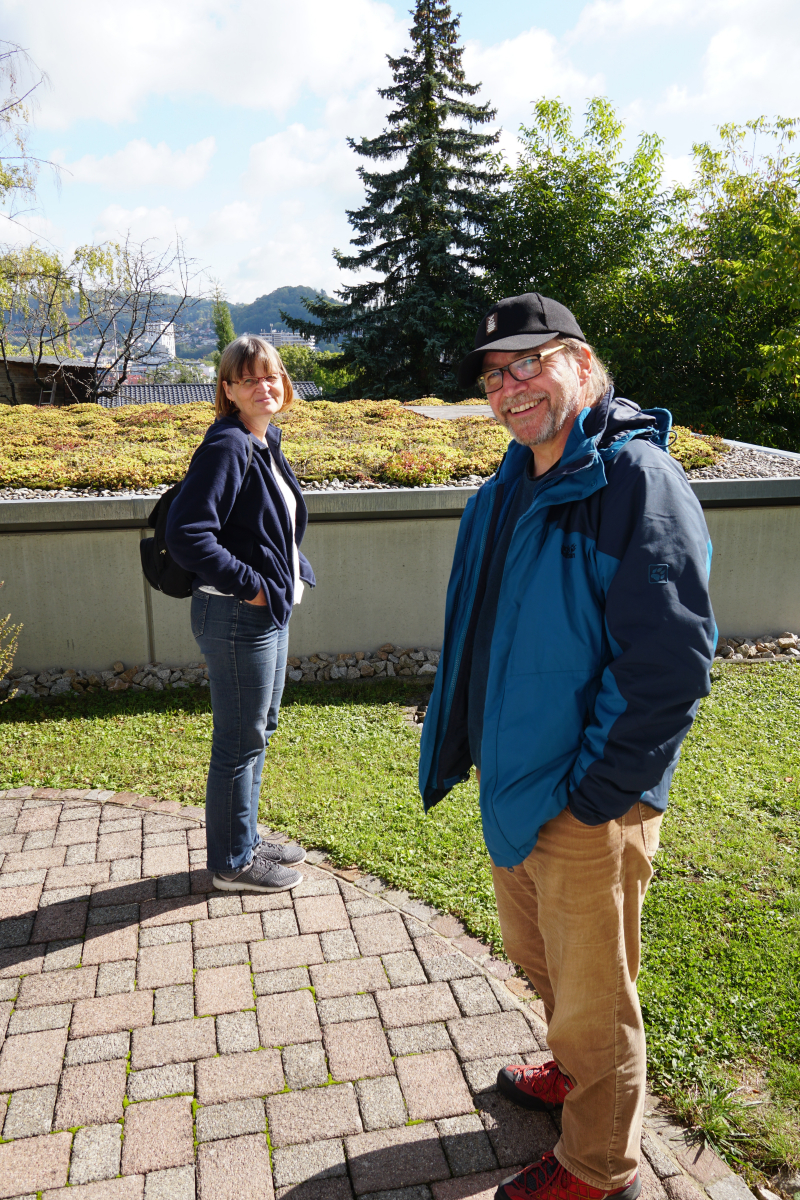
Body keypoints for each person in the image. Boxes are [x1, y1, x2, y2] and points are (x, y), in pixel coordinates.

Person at [418, 294, 716, 1200]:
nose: (510, 388)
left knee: (594, 999)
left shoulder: (635, 483)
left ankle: (599, 1165)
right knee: (540, 957)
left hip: (589, 802)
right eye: (494, 376)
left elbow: (668, 664)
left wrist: (596, 796)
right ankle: (573, 1073)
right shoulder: (508, 485)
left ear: (581, 363)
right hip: (516, 784)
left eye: (529, 363)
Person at [166, 335, 315, 894]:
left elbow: (268, 523)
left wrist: (289, 572)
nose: (263, 386)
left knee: (259, 729)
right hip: (235, 617)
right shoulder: (228, 445)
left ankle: (244, 838)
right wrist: (253, 587)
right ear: (228, 389)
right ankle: (232, 864)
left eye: (271, 375)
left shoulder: (264, 440)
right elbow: (188, 534)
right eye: (248, 379)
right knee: (238, 740)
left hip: (265, 612)